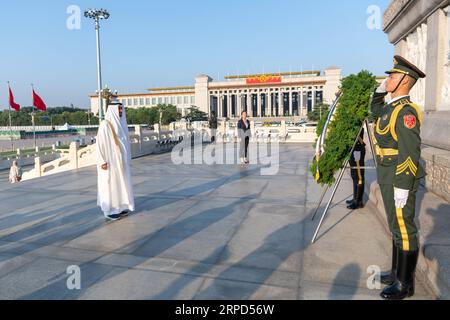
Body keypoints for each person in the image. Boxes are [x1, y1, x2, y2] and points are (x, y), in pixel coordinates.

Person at [371, 55, 426, 300]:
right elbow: (373, 112)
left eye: (392, 76)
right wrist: (379, 91)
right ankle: (395, 272)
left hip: (398, 175)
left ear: (405, 80)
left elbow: (409, 152)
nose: (388, 79)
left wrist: (403, 186)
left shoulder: (406, 113)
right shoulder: (390, 107)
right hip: (386, 172)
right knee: (395, 225)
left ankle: (406, 284)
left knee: (404, 228)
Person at [96, 101, 135, 221]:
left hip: (121, 162)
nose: (121, 112)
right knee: (110, 185)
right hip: (109, 162)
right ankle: (110, 210)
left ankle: (121, 207)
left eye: (121, 109)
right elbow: (99, 144)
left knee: (122, 184)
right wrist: (102, 161)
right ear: (112, 110)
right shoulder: (105, 125)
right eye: (118, 109)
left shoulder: (121, 124)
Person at [346, 129, 366, 210]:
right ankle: (355, 198)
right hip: (353, 149)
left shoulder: (357, 121)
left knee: (359, 176)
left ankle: (358, 201)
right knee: (354, 176)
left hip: (357, 149)